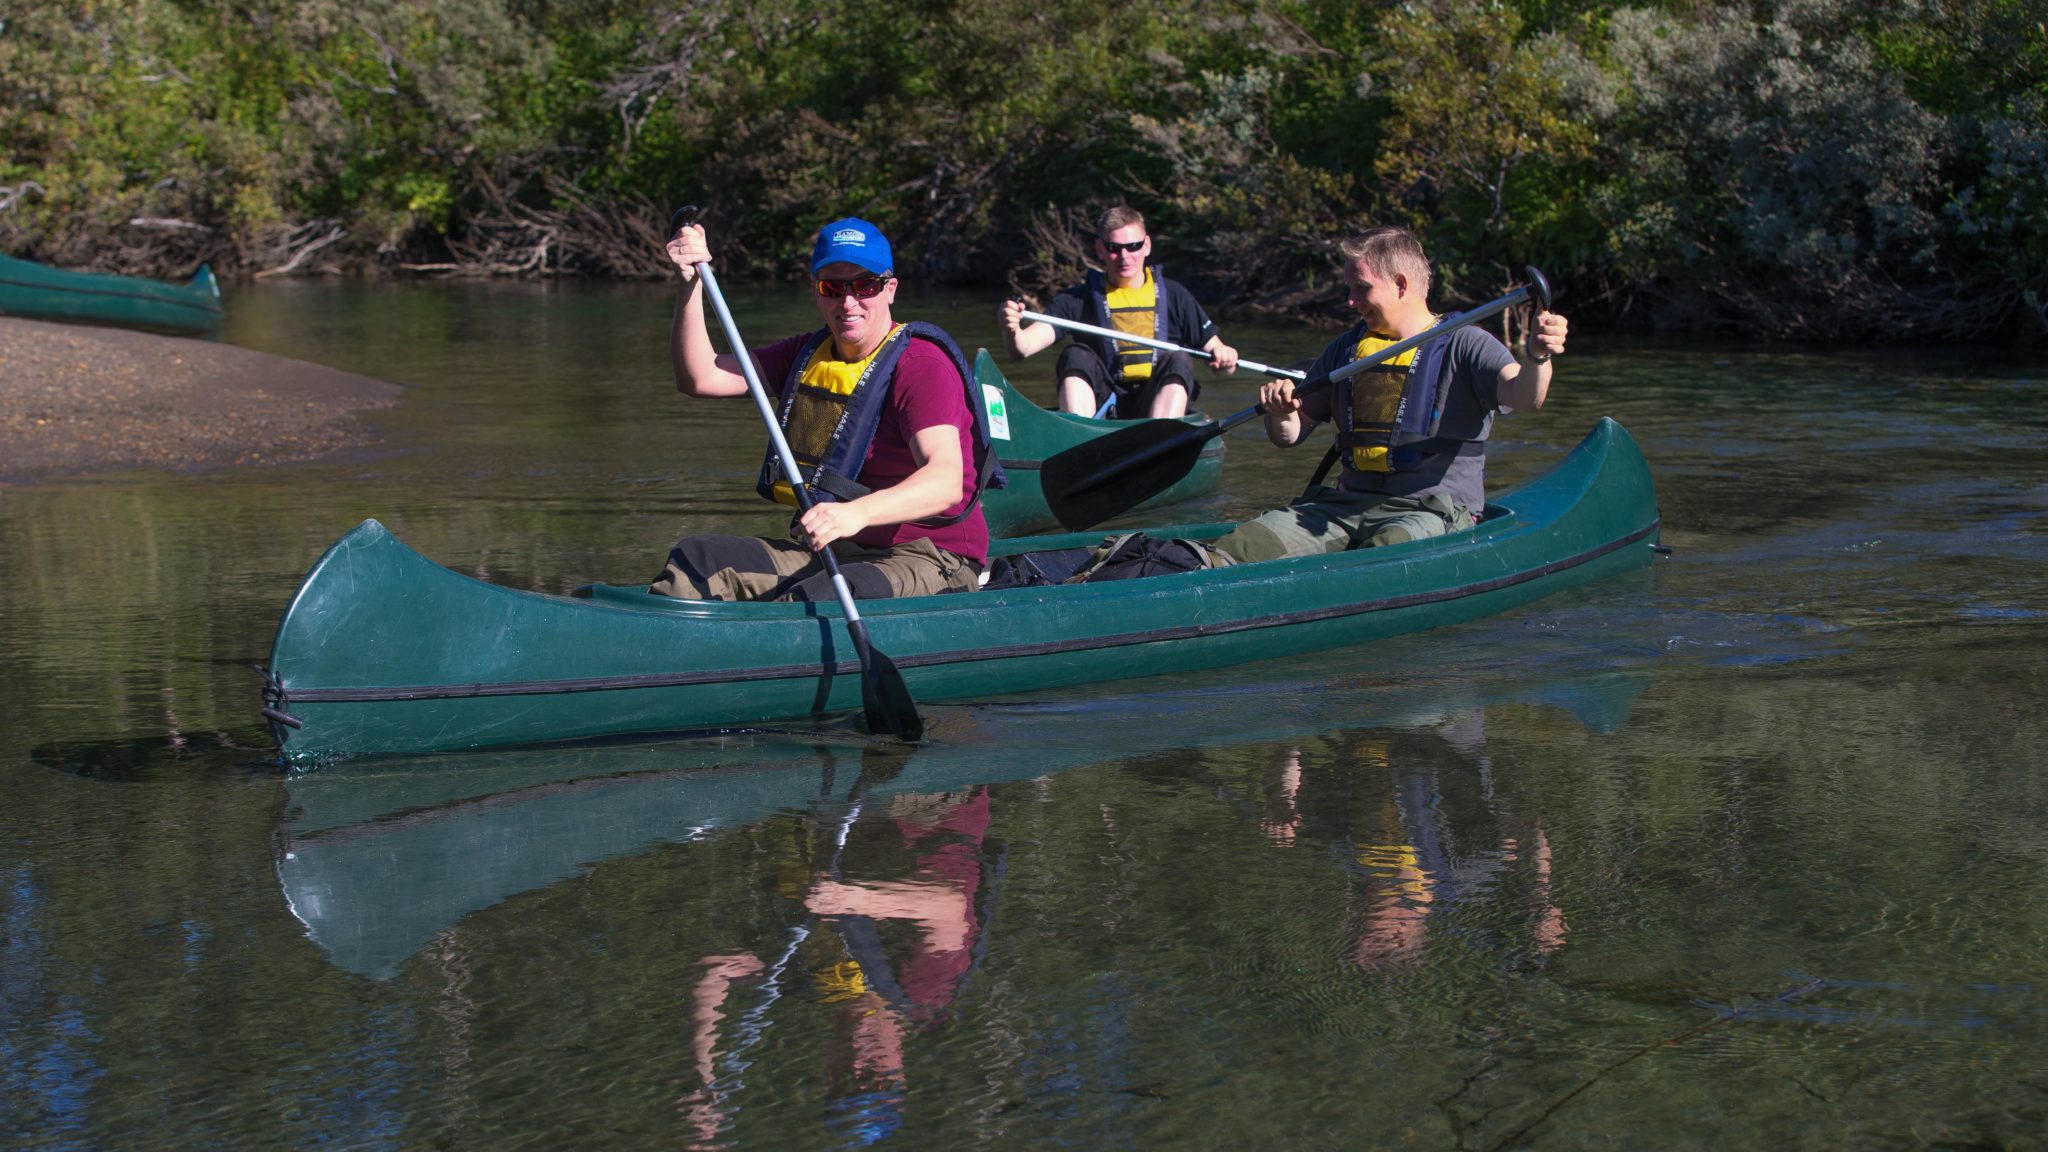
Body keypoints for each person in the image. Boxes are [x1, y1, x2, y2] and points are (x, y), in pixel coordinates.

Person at [652, 216, 1003, 602]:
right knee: (698, 559)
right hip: (832, 550)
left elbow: (945, 481)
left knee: (813, 601)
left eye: (865, 286)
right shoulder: (806, 355)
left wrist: (856, 514)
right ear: (817, 294)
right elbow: (700, 377)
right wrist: (691, 285)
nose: (848, 301)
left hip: (931, 557)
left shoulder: (922, 364)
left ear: (890, 289)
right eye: (833, 287)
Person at [1209, 225, 1569, 564]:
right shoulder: (1345, 349)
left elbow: (1525, 396)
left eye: (1361, 288)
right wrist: (1280, 411)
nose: (1350, 301)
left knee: (1386, 550)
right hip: (1344, 506)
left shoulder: (1465, 342)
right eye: (1348, 289)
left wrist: (1538, 356)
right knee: (1243, 545)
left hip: (1430, 511)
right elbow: (1289, 436)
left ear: (1400, 284)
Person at [999, 205, 1239, 419]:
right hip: (1104, 407)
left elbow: (1222, 360)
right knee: (1075, 353)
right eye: (1114, 248)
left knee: (1179, 359)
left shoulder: (1176, 296)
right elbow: (1023, 348)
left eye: (1133, 246)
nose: (1124, 256)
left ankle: (1161, 438)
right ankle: (1079, 433)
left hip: (1156, 404)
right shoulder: (1077, 299)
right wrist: (1011, 328)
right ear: (1100, 249)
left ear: (1146, 246)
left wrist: (1225, 355)